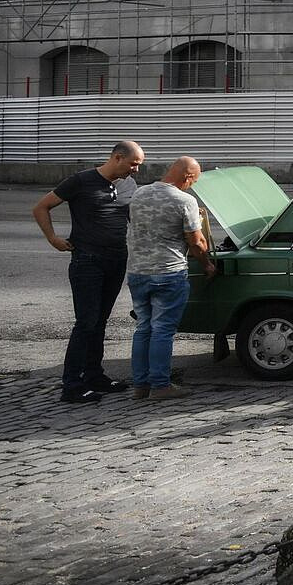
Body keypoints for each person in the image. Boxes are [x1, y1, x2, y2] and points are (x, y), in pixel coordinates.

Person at [33, 140, 146, 404]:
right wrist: (53, 238)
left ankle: (94, 376)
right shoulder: (80, 181)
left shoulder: (128, 184)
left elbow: (135, 220)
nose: (136, 170)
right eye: (134, 164)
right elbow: (41, 207)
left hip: (116, 259)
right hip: (88, 261)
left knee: (100, 322)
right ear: (117, 158)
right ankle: (71, 385)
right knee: (86, 322)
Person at [126, 156, 210, 401]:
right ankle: (161, 386)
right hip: (168, 272)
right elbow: (195, 241)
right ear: (187, 176)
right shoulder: (184, 200)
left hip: (137, 272)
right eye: (193, 181)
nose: (192, 186)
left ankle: (140, 386)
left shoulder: (139, 194)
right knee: (162, 330)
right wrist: (207, 265)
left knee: (143, 328)